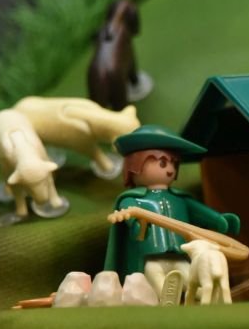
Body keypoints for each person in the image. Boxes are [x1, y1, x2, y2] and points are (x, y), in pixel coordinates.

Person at [103, 125, 240, 297]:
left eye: (173, 163)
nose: (169, 169)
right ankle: (165, 297)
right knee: (154, 276)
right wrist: (136, 224)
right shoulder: (132, 199)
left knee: (189, 275)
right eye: (162, 163)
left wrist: (219, 220)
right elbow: (129, 215)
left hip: (180, 255)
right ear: (135, 166)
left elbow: (199, 212)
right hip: (149, 258)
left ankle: (199, 295)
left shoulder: (179, 198)